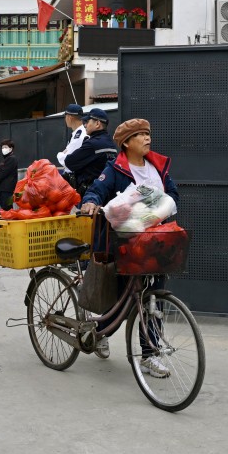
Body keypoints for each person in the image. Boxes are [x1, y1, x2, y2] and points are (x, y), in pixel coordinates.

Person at [80, 118, 179, 374]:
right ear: (126, 143)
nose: (147, 138)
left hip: (155, 243)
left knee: (154, 297)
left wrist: (160, 207)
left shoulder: (158, 167)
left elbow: (173, 194)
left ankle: (149, 354)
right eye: (140, 135)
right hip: (126, 245)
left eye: (148, 133)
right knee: (121, 298)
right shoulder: (116, 169)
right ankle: (101, 330)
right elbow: (97, 190)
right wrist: (90, 202)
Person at [64, 108, 118, 195]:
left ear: (97, 124)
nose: (85, 125)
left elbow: (69, 162)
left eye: (88, 122)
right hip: (106, 191)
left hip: (90, 193)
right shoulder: (110, 143)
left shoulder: (92, 144)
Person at [56, 104, 87, 173]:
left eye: (65, 116)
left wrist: (59, 154)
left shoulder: (79, 135)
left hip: (75, 176)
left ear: (69, 117)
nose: (65, 119)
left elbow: (66, 160)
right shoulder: (79, 132)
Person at [0, 139, 18, 210]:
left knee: (7, 207)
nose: (3, 149)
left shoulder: (11, 159)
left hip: (7, 188)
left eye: (5, 147)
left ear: (11, 148)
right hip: (3, 188)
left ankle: (9, 219)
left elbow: (3, 172)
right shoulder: (7, 159)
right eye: (2, 147)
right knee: (4, 206)